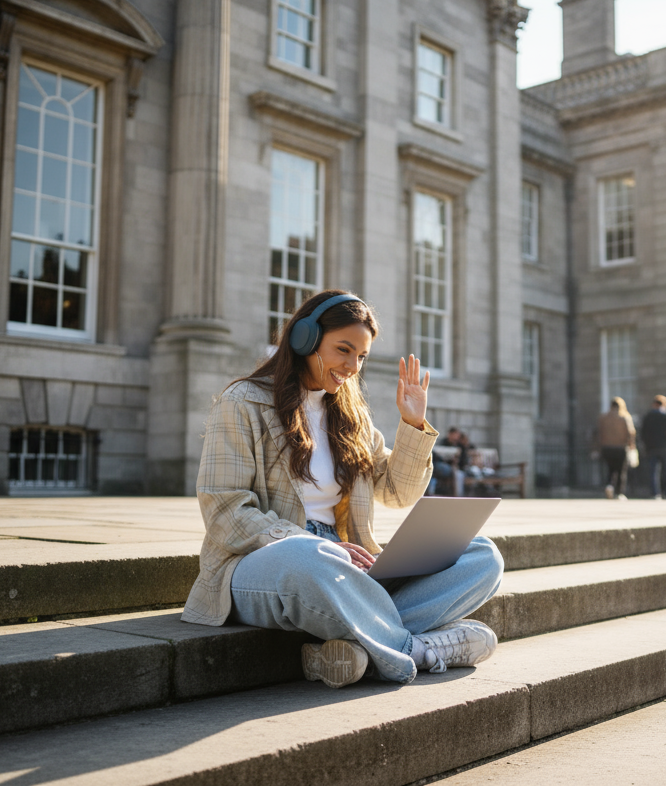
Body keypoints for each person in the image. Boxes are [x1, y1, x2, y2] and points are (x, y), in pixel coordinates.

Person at [181, 290, 504, 688]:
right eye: (344, 350)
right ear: (305, 338)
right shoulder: (242, 403)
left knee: (482, 555)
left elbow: (397, 492)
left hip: (346, 564)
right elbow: (225, 511)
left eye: (362, 356)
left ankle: (359, 651)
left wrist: (413, 425)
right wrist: (315, 545)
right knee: (306, 556)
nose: (353, 367)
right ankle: (417, 651)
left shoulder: (351, 415)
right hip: (265, 565)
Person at [595, 397, 636, 499]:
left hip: (607, 447)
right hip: (620, 447)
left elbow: (598, 433)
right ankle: (619, 492)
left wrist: (598, 447)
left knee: (610, 469)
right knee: (621, 471)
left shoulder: (603, 418)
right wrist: (631, 445)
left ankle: (609, 485)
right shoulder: (624, 417)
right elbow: (630, 433)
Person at [641, 395, 666, 499]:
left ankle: (655, 493)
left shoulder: (648, 416)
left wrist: (647, 443)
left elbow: (643, 433)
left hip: (651, 447)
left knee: (653, 471)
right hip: (664, 446)